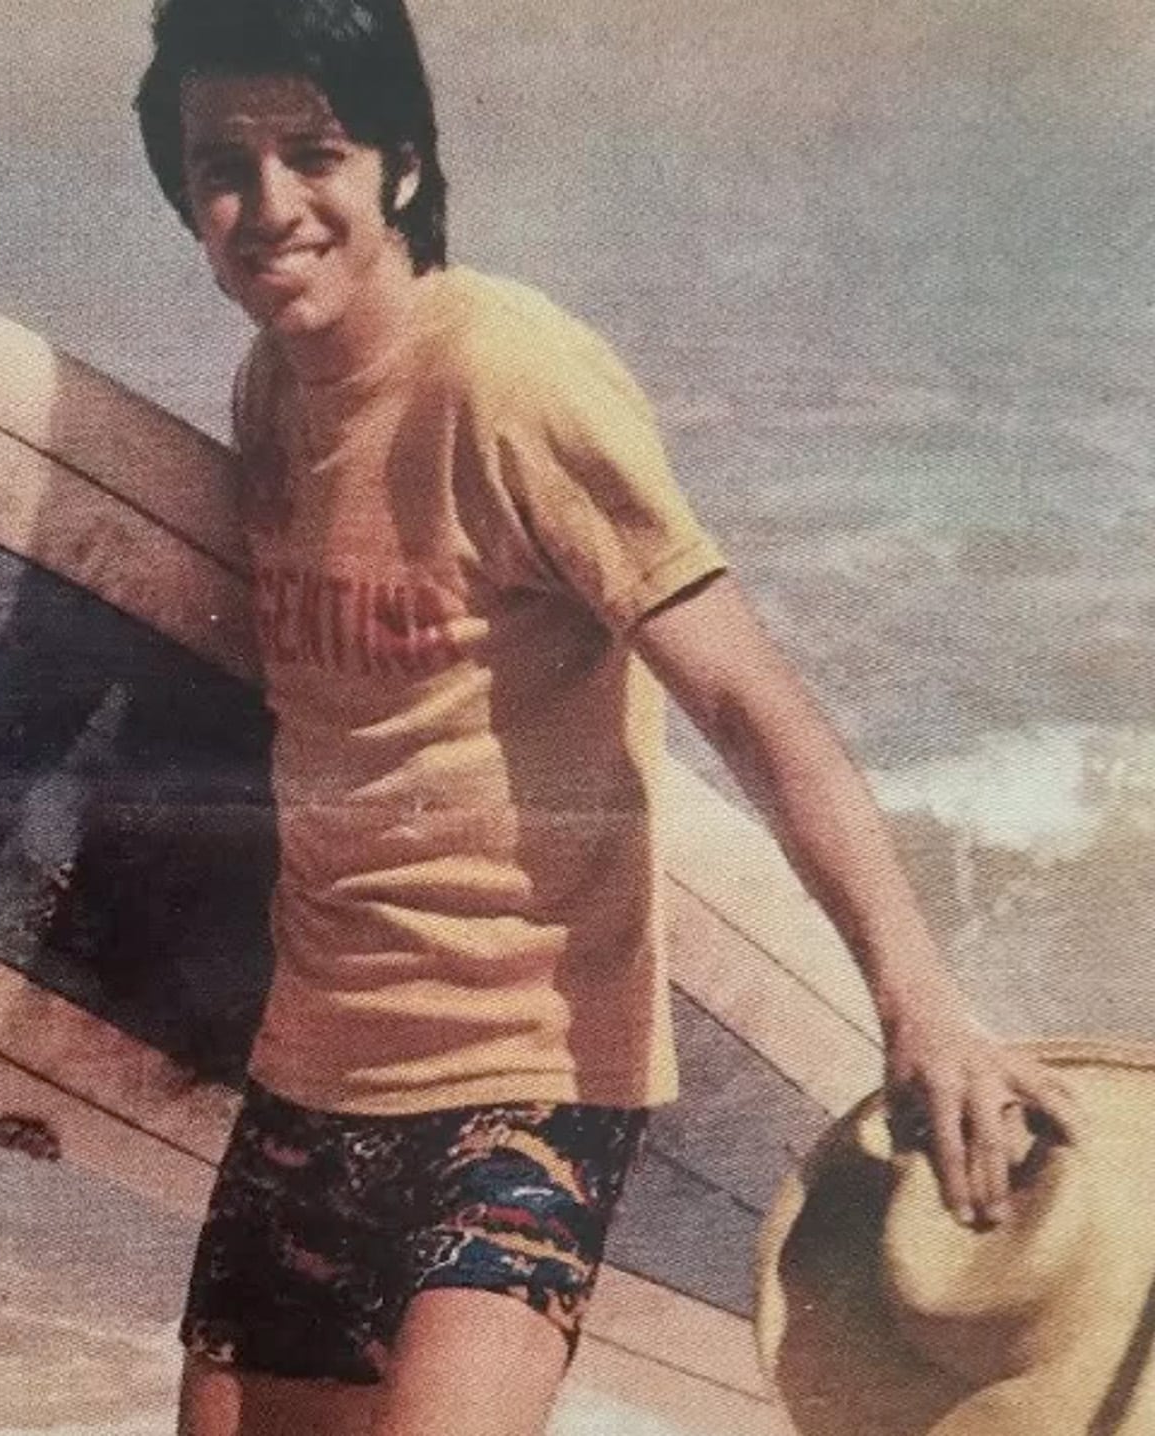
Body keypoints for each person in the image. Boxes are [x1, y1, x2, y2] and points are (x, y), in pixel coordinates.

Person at [131, 2, 1084, 1432]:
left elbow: (748, 701)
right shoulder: (272, 393)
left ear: (399, 160)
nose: (269, 207)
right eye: (223, 167)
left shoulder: (512, 382)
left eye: (311, 151)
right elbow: (294, 755)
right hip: (315, 1067)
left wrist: (921, 1005)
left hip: (524, 1077)